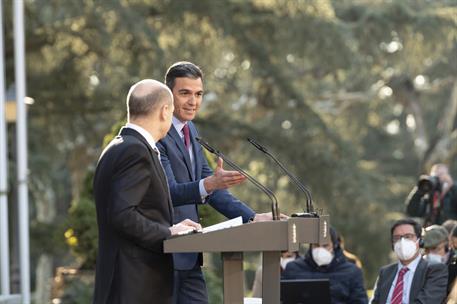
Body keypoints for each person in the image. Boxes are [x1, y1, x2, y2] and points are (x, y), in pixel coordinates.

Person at [157, 61, 279, 303]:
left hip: (190, 254)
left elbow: (211, 188)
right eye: (185, 93)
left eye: (198, 94)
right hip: (162, 255)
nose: (193, 101)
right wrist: (209, 185)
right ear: (168, 95)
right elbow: (168, 192)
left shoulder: (191, 130)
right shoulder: (157, 133)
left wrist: (251, 217)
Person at [92, 79, 201, 304]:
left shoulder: (118, 146)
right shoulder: (135, 151)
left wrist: (170, 229)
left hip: (125, 283)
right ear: (164, 111)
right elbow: (123, 215)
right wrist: (169, 233)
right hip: (135, 286)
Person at [370, 218, 448, 304]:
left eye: (408, 236)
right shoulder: (385, 272)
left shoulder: (435, 270)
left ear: (420, 241)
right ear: (392, 244)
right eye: (397, 238)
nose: (402, 242)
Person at [281, 227, 368, 304]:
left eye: (325, 245)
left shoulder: (352, 272)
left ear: (334, 246)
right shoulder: (293, 269)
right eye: (316, 245)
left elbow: (360, 301)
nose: (320, 249)